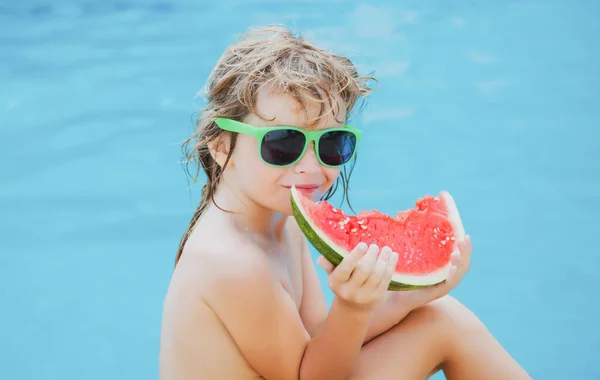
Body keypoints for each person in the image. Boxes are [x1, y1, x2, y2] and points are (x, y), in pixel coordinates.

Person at [159, 25, 531, 380]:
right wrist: (353, 307)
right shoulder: (232, 263)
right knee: (447, 328)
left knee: (440, 316)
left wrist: (406, 299)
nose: (310, 167)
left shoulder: (282, 221)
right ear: (223, 146)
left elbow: (320, 336)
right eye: (283, 143)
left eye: (331, 143)